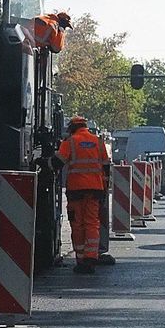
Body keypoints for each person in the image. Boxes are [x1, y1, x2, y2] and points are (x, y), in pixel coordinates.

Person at [53, 115, 113, 274]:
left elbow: (57, 163)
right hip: (95, 190)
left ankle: (80, 259)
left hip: (76, 191)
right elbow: (106, 166)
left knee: (77, 224)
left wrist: (44, 163)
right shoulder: (98, 141)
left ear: (72, 127)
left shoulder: (70, 142)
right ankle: (91, 256)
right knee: (92, 222)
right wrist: (104, 187)